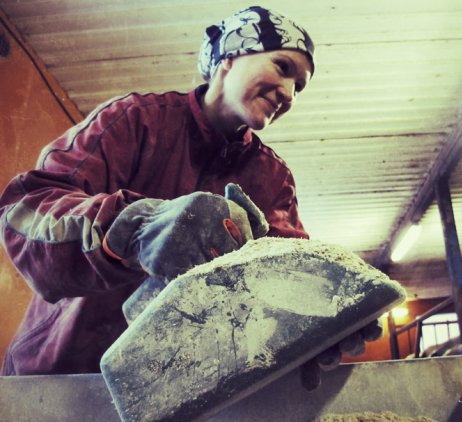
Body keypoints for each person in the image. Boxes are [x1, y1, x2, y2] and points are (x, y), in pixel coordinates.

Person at [0, 5, 380, 389]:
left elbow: (285, 281)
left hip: (178, 395)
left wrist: (316, 319)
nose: (288, 92)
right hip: (59, 379)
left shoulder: (272, 179)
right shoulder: (135, 121)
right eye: (282, 67)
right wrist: (135, 230)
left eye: (299, 86)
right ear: (230, 58)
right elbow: (26, 210)